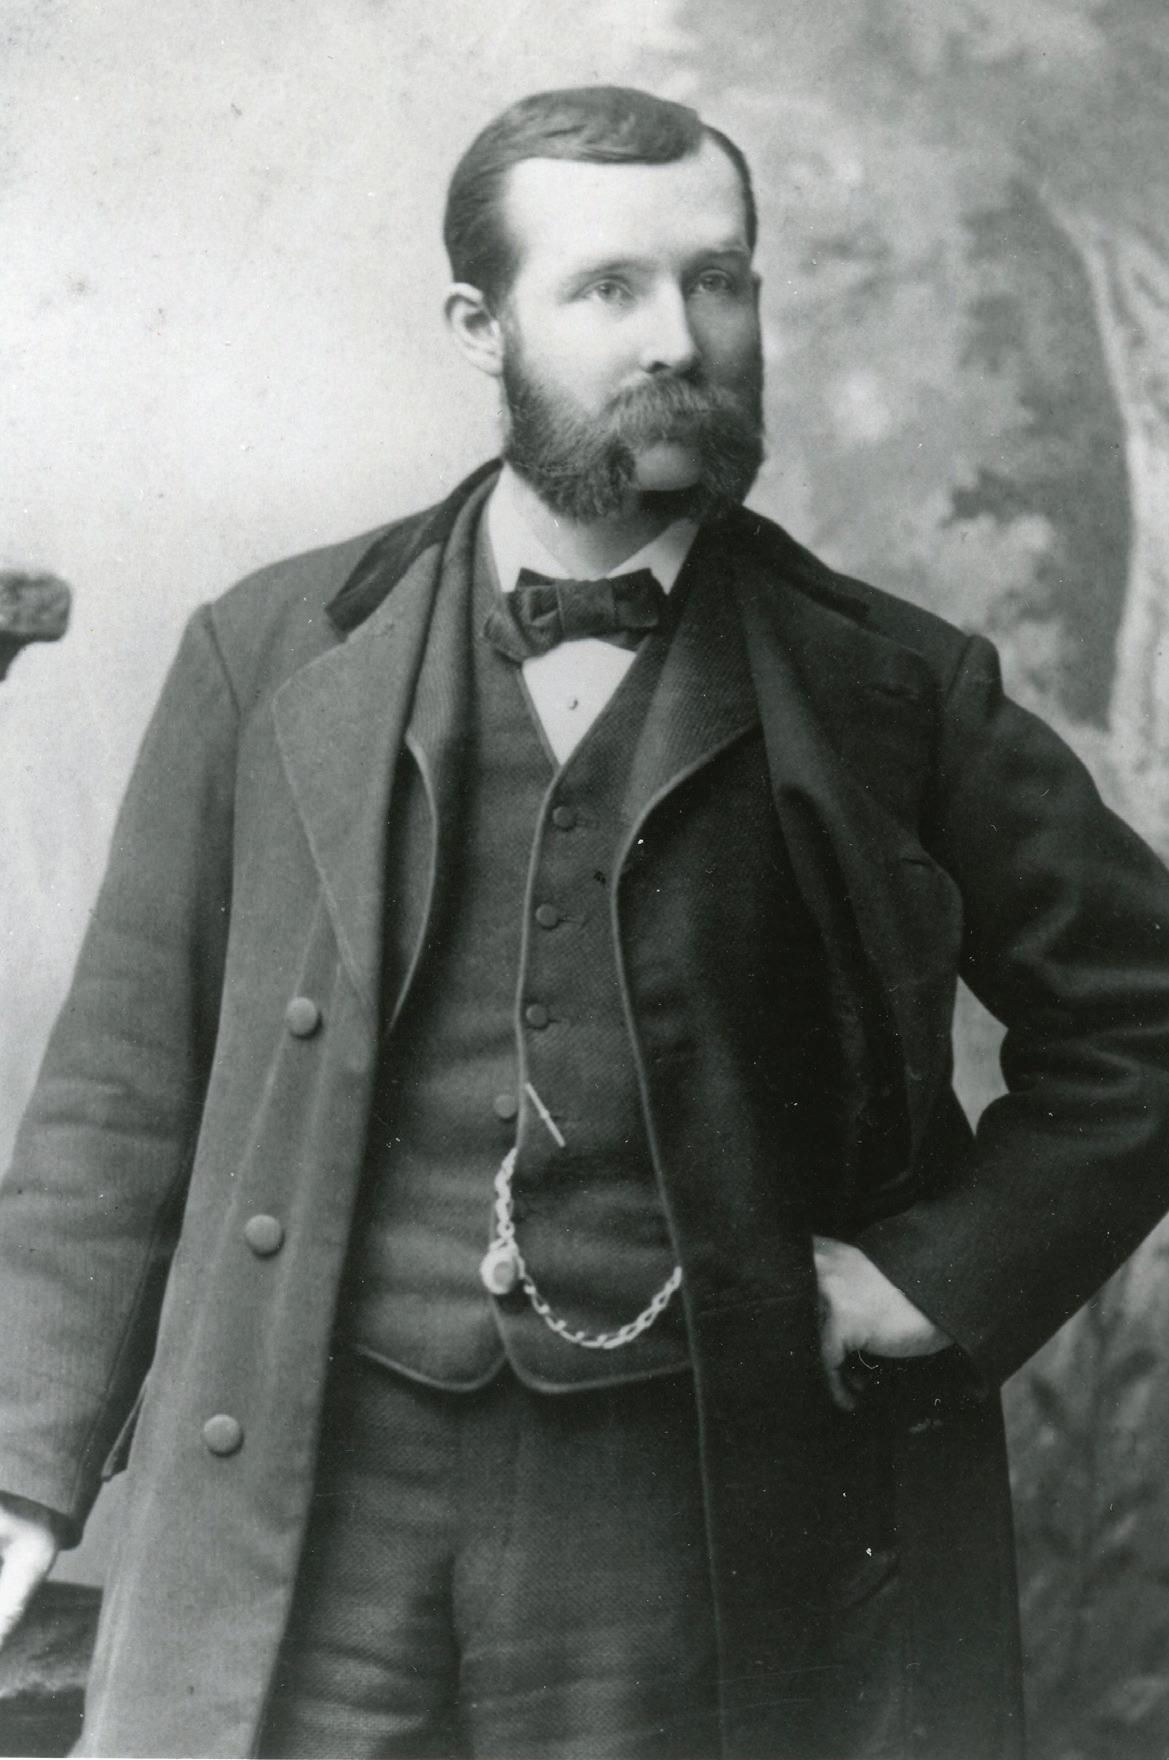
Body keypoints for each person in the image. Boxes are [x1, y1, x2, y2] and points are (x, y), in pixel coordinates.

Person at [1, 84, 1168, 1760]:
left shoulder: (893, 689)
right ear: (479, 328)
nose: (678, 337)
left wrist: (929, 1281)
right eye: (608, 287)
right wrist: (21, 1472)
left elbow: (1141, 1019)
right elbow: (120, 1090)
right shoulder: (266, 653)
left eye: (718, 280)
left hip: (692, 1517)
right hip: (300, 1494)